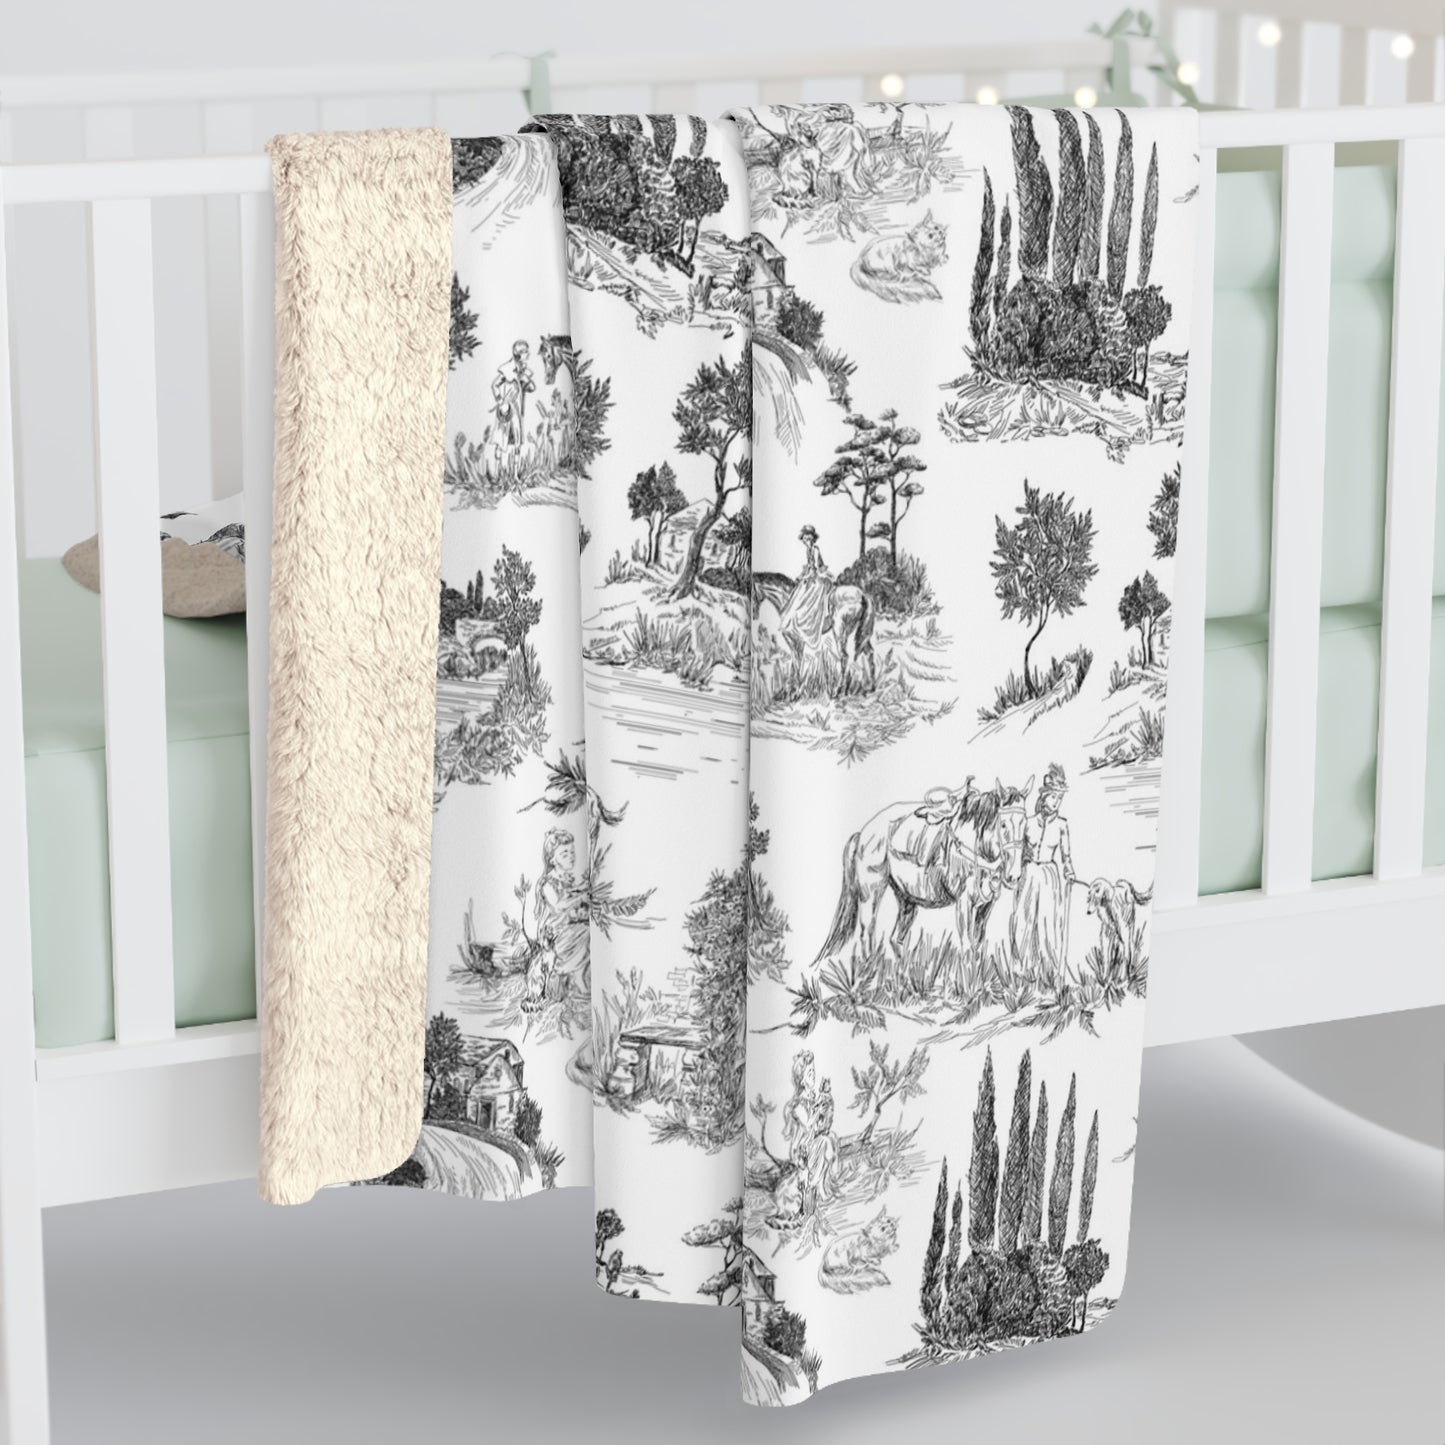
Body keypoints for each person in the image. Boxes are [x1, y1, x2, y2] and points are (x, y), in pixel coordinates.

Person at [1012, 763, 1077, 987]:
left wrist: (1069, 870)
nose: (1056, 802)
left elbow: (1066, 856)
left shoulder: (1062, 825)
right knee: (1023, 919)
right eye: (1053, 797)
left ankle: (1050, 973)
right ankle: (1021, 971)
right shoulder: (1028, 823)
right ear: (1044, 796)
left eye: (1059, 798)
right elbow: (1018, 851)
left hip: (1050, 875)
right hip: (1028, 872)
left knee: (1049, 922)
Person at [523, 827, 589, 1011]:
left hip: (568, 926)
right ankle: (568, 981)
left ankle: (579, 981)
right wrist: (581, 897)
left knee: (585, 931)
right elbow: (559, 905)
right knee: (583, 933)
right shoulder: (548, 883)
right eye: (564, 854)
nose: (571, 857)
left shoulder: (567, 879)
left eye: (572, 852)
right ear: (553, 859)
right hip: (554, 934)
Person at [778, 525, 834, 657]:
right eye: (805, 539)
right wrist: (801, 576)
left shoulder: (815, 550)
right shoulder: (807, 551)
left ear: (812, 539)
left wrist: (806, 577)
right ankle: (797, 622)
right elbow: (808, 568)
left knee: (809, 592)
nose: (806, 541)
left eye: (808, 539)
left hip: (817, 580)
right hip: (810, 577)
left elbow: (815, 569)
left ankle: (810, 623)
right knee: (798, 593)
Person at [491, 339, 536, 449]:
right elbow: (495, 385)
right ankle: (499, 457)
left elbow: (531, 388)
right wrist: (500, 401)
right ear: (519, 354)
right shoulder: (508, 369)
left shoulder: (523, 370)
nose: (528, 354)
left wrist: (526, 380)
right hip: (507, 409)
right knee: (502, 437)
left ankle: (516, 459)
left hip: (518, 408)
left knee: (517, 438)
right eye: (526, 352)